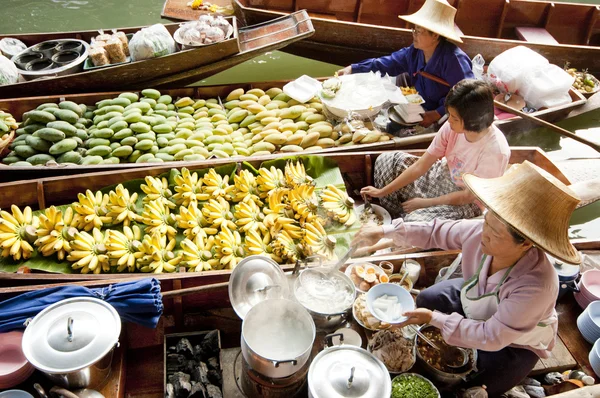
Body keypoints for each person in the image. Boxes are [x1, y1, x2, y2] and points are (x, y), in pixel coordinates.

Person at [352, 161, 582, 397]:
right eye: (487, 223)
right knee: (429, 297)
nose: (484, 233)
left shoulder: (537, 286)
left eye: (494, 233)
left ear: (525, 243)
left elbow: (490, 336)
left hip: (514, 341)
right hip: (475, 299)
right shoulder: (480, 231)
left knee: (477, 382)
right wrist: (382, 232)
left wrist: (437, 319)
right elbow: (435, 231)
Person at [361, 79, 510, 222]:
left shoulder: (495, 151)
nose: (449, 120)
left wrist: (425, 203)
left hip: (466, 202)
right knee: (387, 162)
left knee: (414, 223)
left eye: (455, 118)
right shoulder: (452, 126)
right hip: (441, 176)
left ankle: (405, 220)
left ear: (472, 120)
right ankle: (395, 216)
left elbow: (467, 197)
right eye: (449, 115)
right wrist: (382, 191)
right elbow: (422, 165)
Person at [337, 0, 474, 128]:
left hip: (447, 119)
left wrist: (436, 114)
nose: (414, 35)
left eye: (419, 31)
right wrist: (353, 68)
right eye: (414, 29)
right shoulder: (415, 52)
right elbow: (388, 63)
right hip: (419, 109)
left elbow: (468, 96)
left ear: (435, 36)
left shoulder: (454, 59)